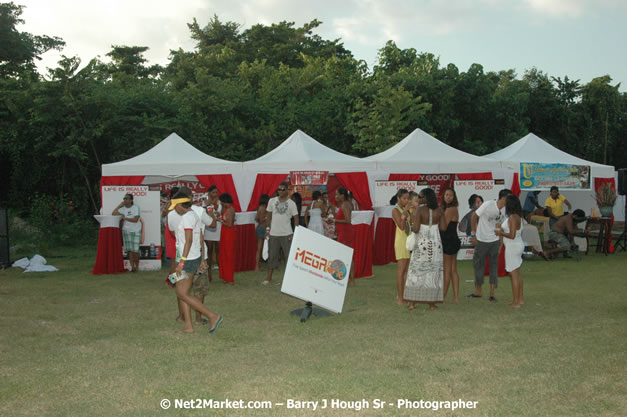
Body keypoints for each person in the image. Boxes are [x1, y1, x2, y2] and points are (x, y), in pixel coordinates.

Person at [167, 192, 222, 334]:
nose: (174, 209)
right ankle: (188, 326)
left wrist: (181, 263)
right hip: (192, 257)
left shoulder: (186, 218)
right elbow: (200, 237)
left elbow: (189, 240)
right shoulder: (195, 215)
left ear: (180, 205)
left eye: (175, 206)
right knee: (183, 292)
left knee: (182, 293)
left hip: (187, 260)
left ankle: (212, 316)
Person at [404, 187, 446, 311]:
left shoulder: (420, 210)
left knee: (416, 271)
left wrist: (411, 226)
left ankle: (412, 303)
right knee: (433, 272)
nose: (419, 199)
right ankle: (432, 304)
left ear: (426, 198)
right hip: (435, 244)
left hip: (422, 244)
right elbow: (443, 227)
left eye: (421, 197)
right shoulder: (440, 210)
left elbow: (416, 229)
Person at [469, 189, 512, 302]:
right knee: (478, 265)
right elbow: (474, 216)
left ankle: (492, 293)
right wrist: (473, 234)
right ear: (503, 198)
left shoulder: (504, 210)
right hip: (481, 240)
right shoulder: (488, 204)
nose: (510, 201)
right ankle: (478, 291)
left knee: (494, 266)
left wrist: (500, 243)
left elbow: (499, 226)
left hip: (494, 241)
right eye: (509, 198)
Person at [264, 182, 299, 285]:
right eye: (279, 189)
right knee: (272, 256)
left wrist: (294, 233)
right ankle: (268, 278)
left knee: (289, 257)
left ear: (287, 190)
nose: (280, 191)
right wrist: (267, 229)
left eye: (283, 189)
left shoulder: (292, 203)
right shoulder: (272, 201)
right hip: (274, 233)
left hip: (287, 233)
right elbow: (268, 215)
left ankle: (290, 280)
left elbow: (296, 219)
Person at [496, 195, 525, 308]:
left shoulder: (513, 217)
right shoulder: (518, 217)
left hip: (513, 246)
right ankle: (520, 299)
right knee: (516, 274)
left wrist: (500, 233)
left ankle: (516, 301)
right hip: (516, 245)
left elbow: (512, 235)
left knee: (513, 275)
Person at [329, 187, 355, 284]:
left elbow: (348, 220)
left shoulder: (345, 205)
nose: (335, 197)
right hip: (343, 232)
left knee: (345, 255)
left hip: (345, 233)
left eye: (337, 194)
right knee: (348, 255)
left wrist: (334, 220)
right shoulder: (346, 204)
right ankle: (350, 279)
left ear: (342, 195)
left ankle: (349, 279)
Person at [440, 187, 461, 304]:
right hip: (452, 240)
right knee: (453, 270)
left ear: (454, 197)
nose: (448, 197)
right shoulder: (449, 209)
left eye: (451, 195)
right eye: (446, 195)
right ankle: (456, 298)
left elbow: (443, 226)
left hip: (449, 242)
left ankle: (442, 297)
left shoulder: (451, 209)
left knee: (447, 271)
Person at [113, 193, 141, 272]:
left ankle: (137, 266)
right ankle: (133, 268)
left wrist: (125, 218)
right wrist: (119, 205)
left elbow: (135, 219)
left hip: (135, 230)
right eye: (124, 198)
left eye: (126, 198)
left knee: (135, 251)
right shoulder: (123, 208)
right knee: (129, 250)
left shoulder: (136, 208)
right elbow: (113, 213)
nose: (125, 200)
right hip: (126, 230)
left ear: (131, 200)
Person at [392, 189, 411, 305]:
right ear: (398, 198)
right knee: (401, 270)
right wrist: (405, 212)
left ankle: (405, 295)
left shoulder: (406, 210)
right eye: (404, 198)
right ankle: (400, 298)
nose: (406, 200)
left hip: (408, 240)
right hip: (401, 242)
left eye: (407, 198)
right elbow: (402, 226)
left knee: (407, 271)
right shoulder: (395, 210)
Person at [212, 193, 236, 283]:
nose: (221, 203)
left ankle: (229, 277)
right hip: (225, 233)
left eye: (222, 202)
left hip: (228, 234)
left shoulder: (230, 210)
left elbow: (229, 224)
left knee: (228, 255)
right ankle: (226, 276)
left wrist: (220, 220)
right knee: (225, 254)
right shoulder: (227, 209)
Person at [203, 185, 221, 281]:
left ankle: (221, 273)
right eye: (213, 192)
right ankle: (208, 274)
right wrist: (209, 205)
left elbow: (220, 213)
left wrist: (217, 206)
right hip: (209, 228)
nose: (215, 194)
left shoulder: (219, 202)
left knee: (218, 250)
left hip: (218, 228)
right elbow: (206, 214)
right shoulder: (205, 202)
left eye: (216, 192)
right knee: (209, 251)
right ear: (209, 193)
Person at [254, 194, 270, 272]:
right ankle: (257, 266)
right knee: (261, 248)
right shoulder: (264, 208)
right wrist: (267, 217)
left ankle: (258, 265)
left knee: (259, 249)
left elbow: (256, 218)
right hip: (263, 228)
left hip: (259, 228)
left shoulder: (259, 208)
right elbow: (261, 219)